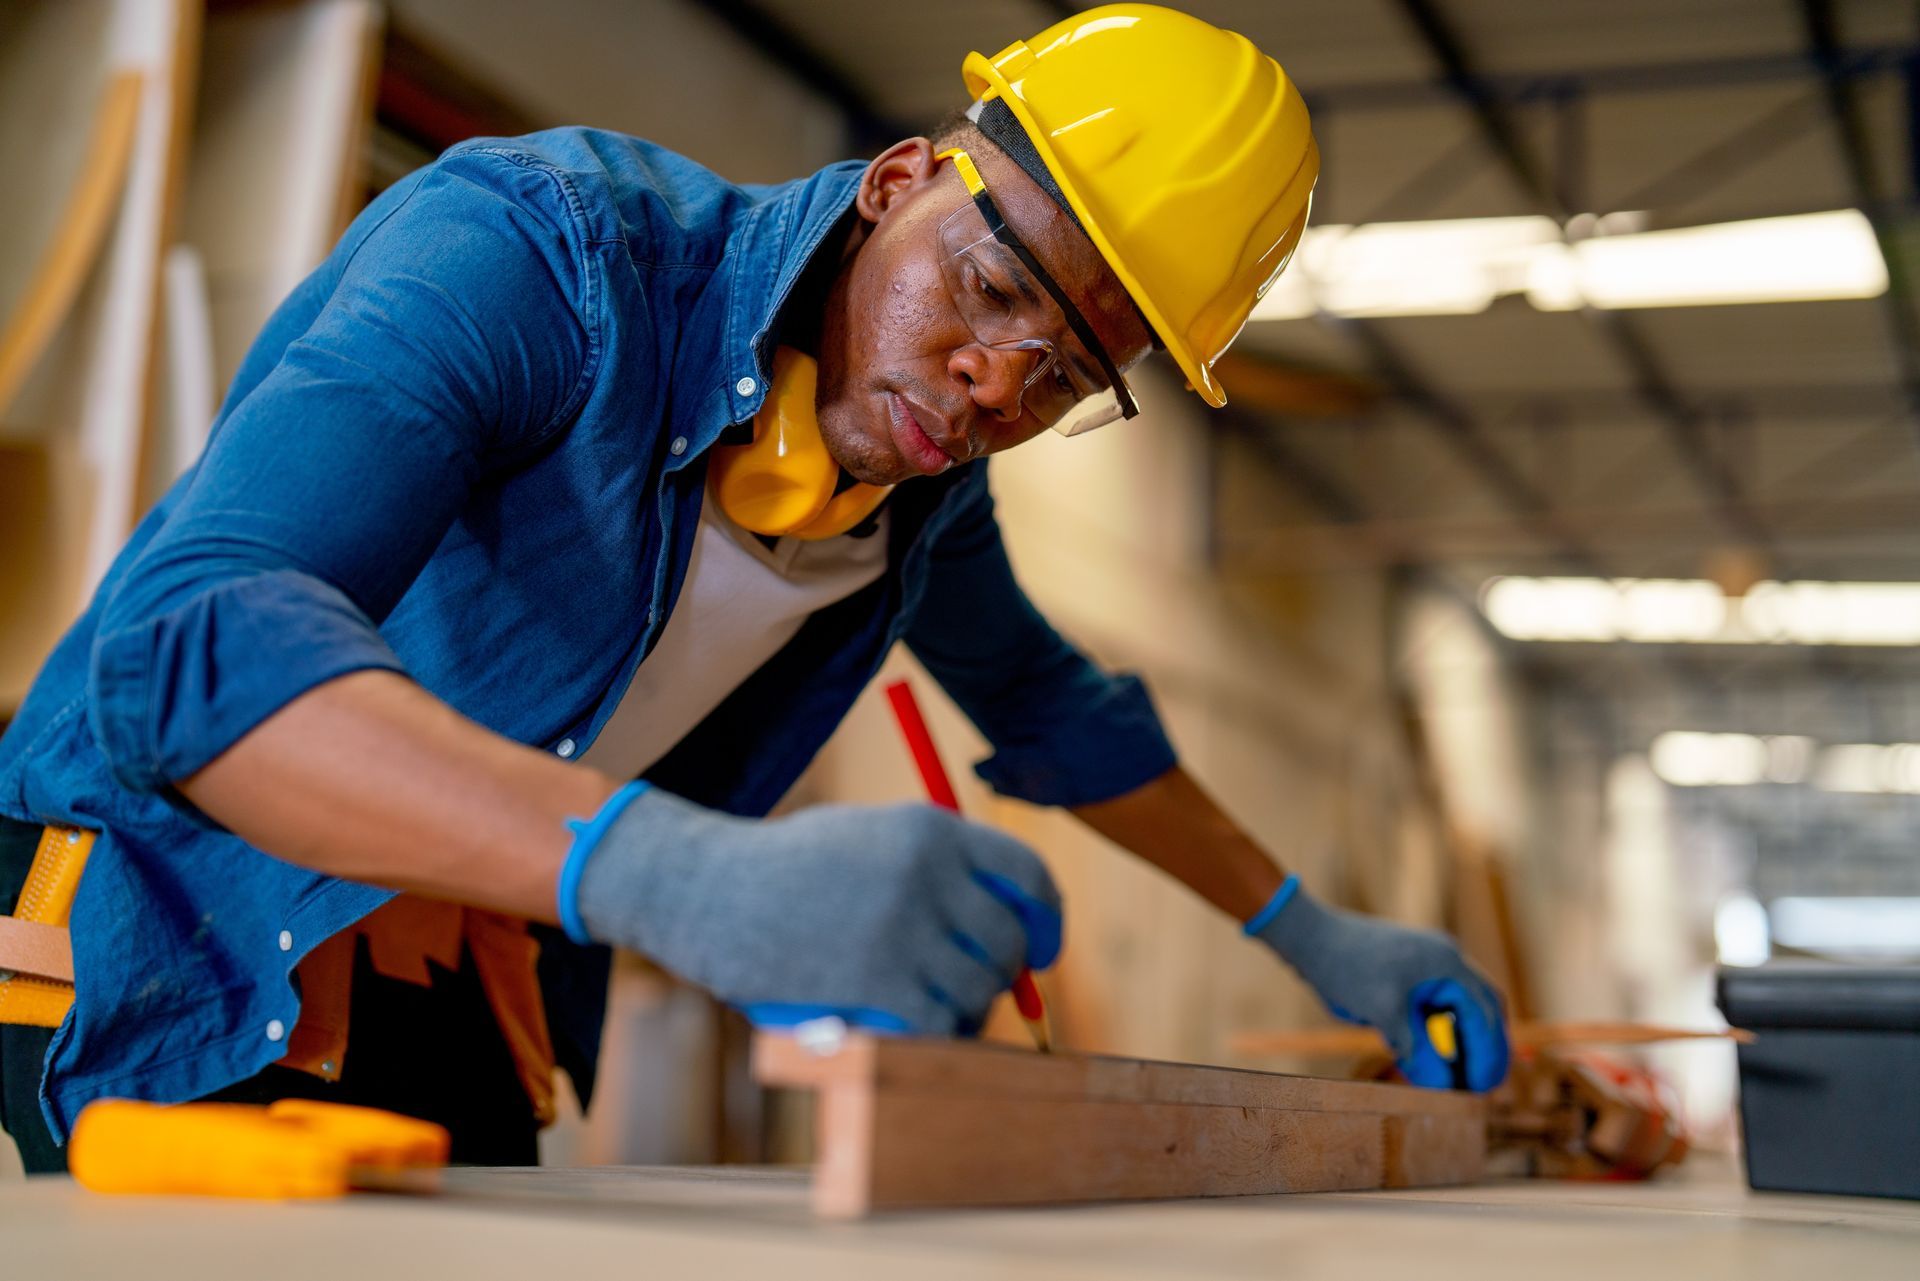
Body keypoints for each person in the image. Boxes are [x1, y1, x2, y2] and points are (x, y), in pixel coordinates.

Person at [0, 4, 1507, 1171]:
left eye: (1066, 375)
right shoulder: (547, 253)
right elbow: (187, 644)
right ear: (903, 179)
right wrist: (686, 877)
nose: (992, 381)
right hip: (163, 925)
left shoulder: (918, 501)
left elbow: (1059, 709)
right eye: (987, 290)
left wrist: (1313, 932)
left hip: (454, 972)